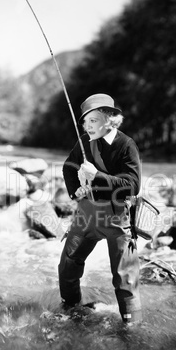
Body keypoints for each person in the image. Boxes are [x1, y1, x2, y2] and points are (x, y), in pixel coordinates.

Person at [58, 93, 142, 323]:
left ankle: (132, 330)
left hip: (118, 218)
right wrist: (76, 190)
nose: (87, 126)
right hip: (86, 215)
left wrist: (97, 176)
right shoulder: (84, 142)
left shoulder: (127, 145)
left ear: (110, 119)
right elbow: (68, 167)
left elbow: (132, 186)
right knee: (67, 266)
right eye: (84, 122)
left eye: (92, 121)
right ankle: (70, 313)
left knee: (125, 279)